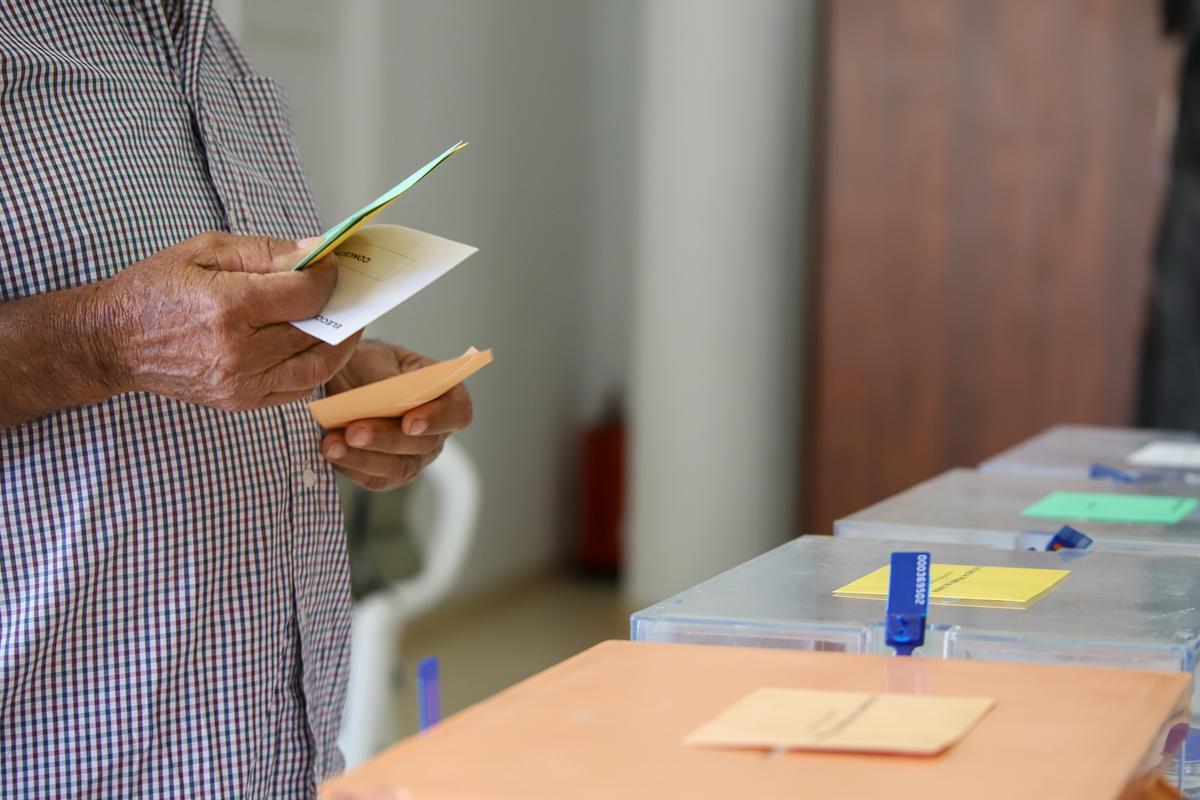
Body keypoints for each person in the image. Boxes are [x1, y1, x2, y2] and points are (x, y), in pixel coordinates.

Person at [0, 2, 472, 796]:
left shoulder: (211, 48)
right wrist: (102, 340)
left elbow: (210, 332)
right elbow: (139, 333)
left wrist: (331, 379)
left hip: (271, 757)